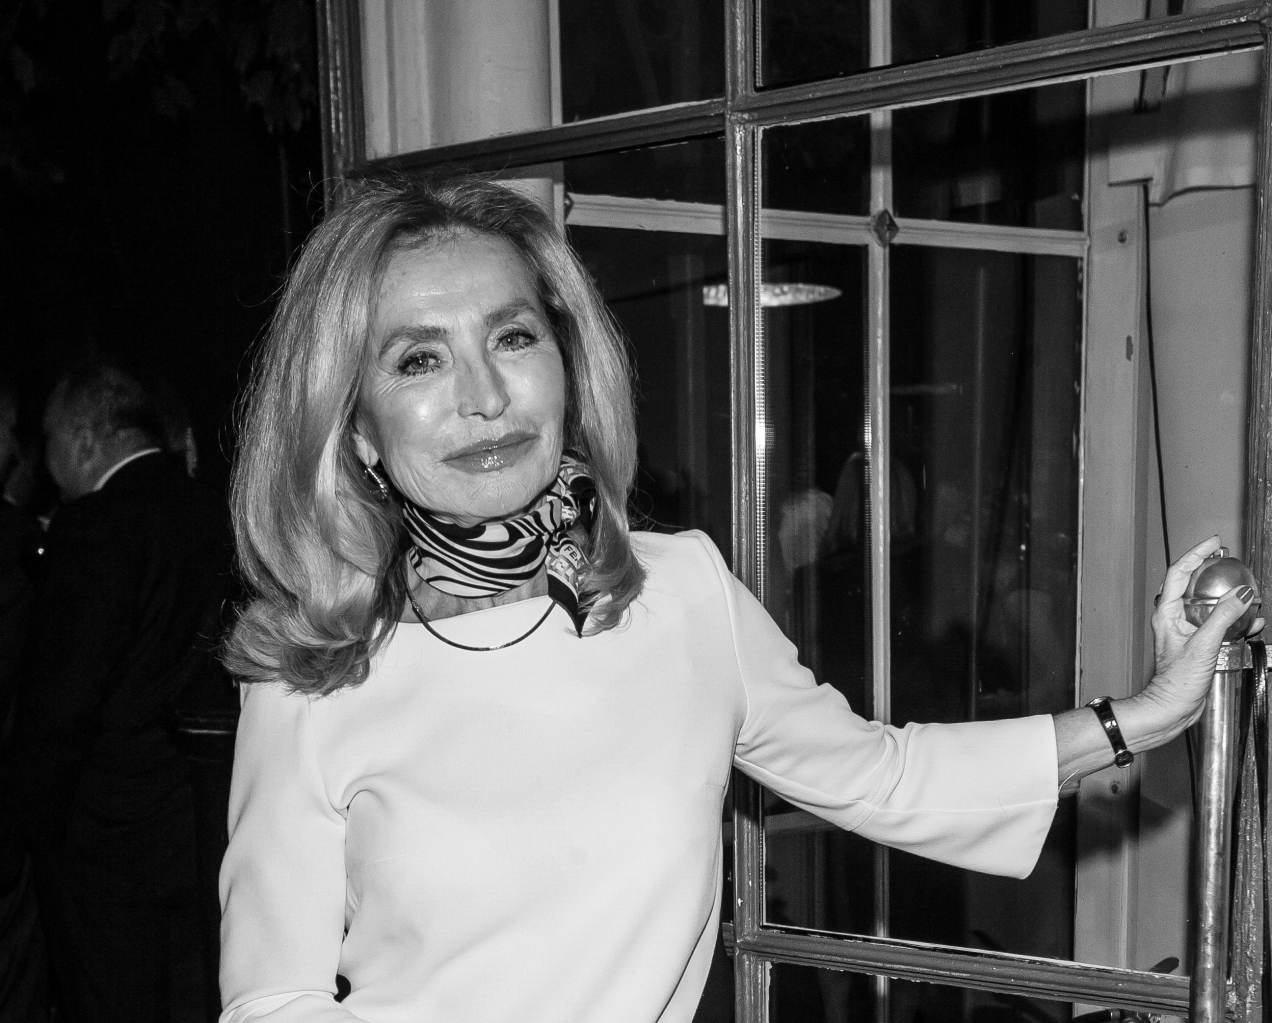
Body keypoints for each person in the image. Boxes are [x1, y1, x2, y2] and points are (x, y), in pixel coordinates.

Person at [218, 176, 1258, 1023]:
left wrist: (1144, 714)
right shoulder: (312, 675)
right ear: (357, 429)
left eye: (513, 338)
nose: (484, 397)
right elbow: (272, 1000)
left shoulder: (680, 594)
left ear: (568, 367)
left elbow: (883, 775)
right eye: (419, 360)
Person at [2, 362, 230, 1023]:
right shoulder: (214, 511)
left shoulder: (93, 527)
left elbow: (60, 705)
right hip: (198, 828)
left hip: (106, 846)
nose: (44, 460)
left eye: (48, 440)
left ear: (82, 440)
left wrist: (30, 828)